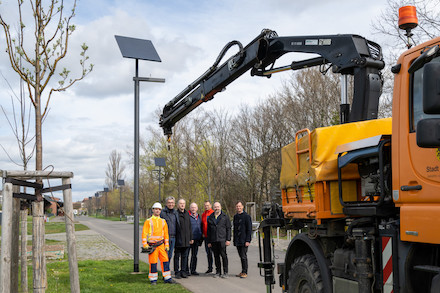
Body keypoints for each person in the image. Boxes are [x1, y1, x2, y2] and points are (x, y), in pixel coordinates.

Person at [142, 202, 176, 285]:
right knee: (153, 262)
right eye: (156, 209)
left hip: (161, 245)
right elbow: (144, 233)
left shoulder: (163, 221)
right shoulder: (148, 221)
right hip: (152, 245)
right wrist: (145, 244)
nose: (157, 211)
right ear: (153, 210)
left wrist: (167, 245)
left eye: (159, 209)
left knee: (165, 261)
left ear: (160, 211)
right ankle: (153, 279)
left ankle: (167, 278)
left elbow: (166, 234)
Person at [207, 202, 231, 278]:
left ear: (220, 207)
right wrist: (209, 241)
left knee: (223, 256)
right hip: (214, 240)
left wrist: (228, 239)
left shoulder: (225, 216)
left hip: (222, 239)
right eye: (215, 207)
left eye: (218, 207)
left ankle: (225, 272)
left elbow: (228, 229)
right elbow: (209, 231)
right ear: (213, 208)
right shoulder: (210, 217)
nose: (216, 208)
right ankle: (218, 272)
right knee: (216, 256)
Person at [174, 199, 193, 279]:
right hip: (178, 239)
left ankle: (183, 271)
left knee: (185, 257)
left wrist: (191, 238)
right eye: (181, 204)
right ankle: (177, 272)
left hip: (186, 240)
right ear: (178, 205)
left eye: (183, 203)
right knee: (177, 256)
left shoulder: (187, 214)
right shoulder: (176, 214)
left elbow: (189, 227)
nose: (182, 205)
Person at [233, 201, 252, 278]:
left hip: (244, 240)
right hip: (238, 240)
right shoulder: (235, 217)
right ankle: (242, 270)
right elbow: (234, 229)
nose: (238, 208)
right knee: (241, 256)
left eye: (240, 206)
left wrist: (248, 240)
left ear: (243, 207)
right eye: (237, 206)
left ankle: (245, 271)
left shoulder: (247, 216)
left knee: (244, 256)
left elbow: (249, 229)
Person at [160, 196, 179, 262]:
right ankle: (165, 270)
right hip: (165, 238)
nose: (171, 204)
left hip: (174, 237)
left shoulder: (176, 213)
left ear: (174, 204)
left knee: (170, 255)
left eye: (172, 203)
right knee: (165, 255)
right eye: (169, 203)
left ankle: (166, 270)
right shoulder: (162, 213)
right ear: (166, 204)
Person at [188, 202, 203, 275]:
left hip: (197, 239)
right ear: (190, 208)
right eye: (192, 207)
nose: (193, 209)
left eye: (195, 207)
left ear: (197, 208)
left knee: (194, 255)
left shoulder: (199, 216)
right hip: (189, 239)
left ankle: (193, 270)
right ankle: (186, 270)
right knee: (186, 255)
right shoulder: (187, 216)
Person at [201, 201, 214, 274]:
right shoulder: (203, 214)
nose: (206, 207)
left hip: (212, 237)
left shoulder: (213, 213)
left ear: (210, 205)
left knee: (215, 253)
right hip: (206, 237)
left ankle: (218, 268)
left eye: (208, 205)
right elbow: (203, 224)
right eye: (205, 205)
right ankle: (210, 268)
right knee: (208, 253)